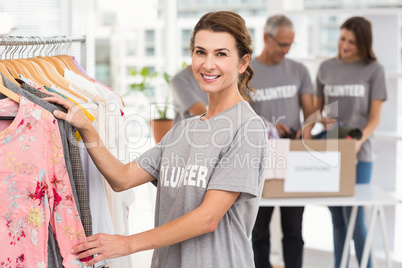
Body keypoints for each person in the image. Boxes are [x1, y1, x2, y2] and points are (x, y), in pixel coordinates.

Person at [45, 11, 268, 268]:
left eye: (221, 54)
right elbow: (122, 178)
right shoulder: (181, 131)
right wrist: (88, 129)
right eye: (200, 52)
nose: (208, 64)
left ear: (242, 63)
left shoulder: (247, 127)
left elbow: (208, 218)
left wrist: (126, 244)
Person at [316, 16, 386, 268]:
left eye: (352, 42)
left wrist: (357, 140)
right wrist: (326, 122)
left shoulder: (374, 70)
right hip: (331, 152)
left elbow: (375, 118)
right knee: (337, 218)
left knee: (355, 218)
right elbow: (319, 112)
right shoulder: (325, 68)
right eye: (342, 38)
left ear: (363, 44)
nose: (344, 45)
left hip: (360, 153)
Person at [250, 14, 315, 268]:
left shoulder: (299, 70)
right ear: (267, 38)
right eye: (281, 44)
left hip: (293, 161)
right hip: (261, 161)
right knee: (259, 231)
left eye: (290, 44)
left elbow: (310, 114)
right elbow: (241, 116)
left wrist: (305, 131)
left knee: (293, 230)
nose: (286, 50)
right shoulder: (249, 72)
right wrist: (267, 126)